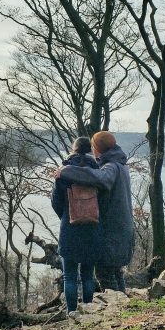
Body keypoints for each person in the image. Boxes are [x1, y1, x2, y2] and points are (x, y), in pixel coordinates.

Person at [56, 131, 134, 293]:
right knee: (116, 272)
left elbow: (99, 178)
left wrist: (66, 170)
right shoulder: (121, 165)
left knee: (104, 273)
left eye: (94, 146)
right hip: (122, 229)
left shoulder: (111, 167)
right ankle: (123, 304)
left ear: (98, 148)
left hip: (113, 230)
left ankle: (116, 310)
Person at [51, 136, 101, 314]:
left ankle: (72, 313)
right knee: (88, 275)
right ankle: (87, 311)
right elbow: (103, 200)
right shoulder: (97, 170)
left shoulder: (63, 172)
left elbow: (56, 202)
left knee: (70, 276)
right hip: (93, 228)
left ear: (74, 149)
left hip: (69, 229)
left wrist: (66, 216)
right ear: (89, 150)